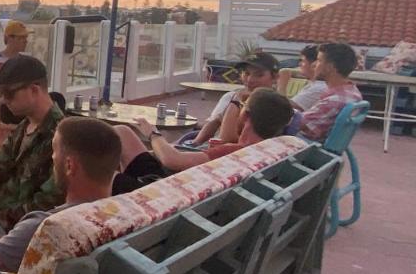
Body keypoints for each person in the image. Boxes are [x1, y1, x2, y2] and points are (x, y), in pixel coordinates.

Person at [0, 117, 121, 273]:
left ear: (69, 165)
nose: (52, 158)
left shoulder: (44, 228)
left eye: (54, 151)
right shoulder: (121, 216)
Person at [112, 88, 295, 192]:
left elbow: (172, 160)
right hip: (187, 188)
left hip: (162, 191)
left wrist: (152, 133)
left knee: (98, 166)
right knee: (122, 132)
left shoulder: (235, 152)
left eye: (242, 107)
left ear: (246, 115)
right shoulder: (264, 150)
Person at [0, 55, 64, 229]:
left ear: (34, 90)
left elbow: (47, 203)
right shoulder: (23, 128)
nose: (4, 100)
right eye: (2, 93)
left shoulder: (62, 137)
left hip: (25, 230)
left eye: (9, 93)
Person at [187, 51, 280, 146]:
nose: (250, 80)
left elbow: (227, 139)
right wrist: (194, 144)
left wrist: (236, 101)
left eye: (259, 75)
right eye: (246, 73)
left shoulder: (275, 105)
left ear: (275, 77)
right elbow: (214, 122)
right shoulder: (230, 96)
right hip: (212, 146)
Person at [298, 42, 363, 141]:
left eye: (319, 60)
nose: (314, 64)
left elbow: (297, 123)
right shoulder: (353, 92)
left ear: (330, 67)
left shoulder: (334, 100)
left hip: (307, 146)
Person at [278, 45, 328, 111]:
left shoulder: (318, 88)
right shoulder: (316, 85)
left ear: (314, 64)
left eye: (303, 61)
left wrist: (282, 82)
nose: (300, 64)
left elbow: (283, 108)